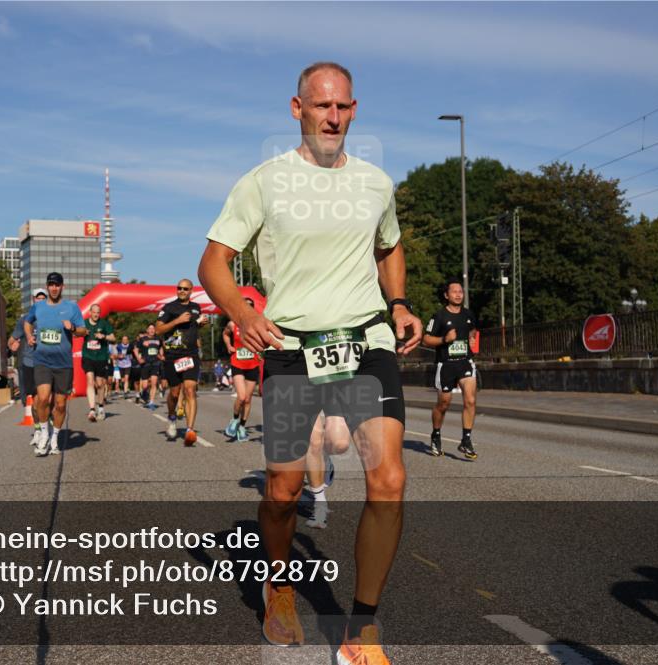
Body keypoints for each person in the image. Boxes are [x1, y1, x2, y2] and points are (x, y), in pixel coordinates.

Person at [198, 62, 422, 662]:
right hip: (293, 349)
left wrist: (399, 303)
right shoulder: (264, 182)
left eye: (343, 107)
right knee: (283, 487)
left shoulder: (376, 183)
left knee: (389, 479)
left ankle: (362, 629)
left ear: (355, 110)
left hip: (366, 343)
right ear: (297, 109)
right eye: (322, 106)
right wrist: (242, 313)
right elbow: (213, 262)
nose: (333, 117)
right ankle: (278, 585)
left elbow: (390, 245)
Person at [23, 272, 86, 457]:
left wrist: (72, 328)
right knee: (42, 399)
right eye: (51, 284)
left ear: (62, 287)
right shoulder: (38, 306)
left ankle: (54, 438)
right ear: (47, 286)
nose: (54, 288)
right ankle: (44, 434)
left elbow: (83, 330)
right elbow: (27, 322)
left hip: (63, 364)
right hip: (42, 361)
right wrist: (29, 336)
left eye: (57, 285)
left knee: (60, 404)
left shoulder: (71, 307)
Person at [423, 278, 480, 460]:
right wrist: (444, 340)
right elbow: (426, 339)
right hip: (446, 364)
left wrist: (471, 338)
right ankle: (436, 434)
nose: (458, 294)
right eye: (454, 291)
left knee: (470, 400)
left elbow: (472, 330)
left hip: (465, 362)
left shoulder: (468, 314)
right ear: (446, 295)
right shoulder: (439, 316)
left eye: (460, 291)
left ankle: (466, 440)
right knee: (444, 403)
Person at [155, 279, 207, 446]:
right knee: (175, 393)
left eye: (185, 288)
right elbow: (158, 329)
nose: (182, 291)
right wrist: (176, 321)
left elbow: (193, 328)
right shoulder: (169, 308)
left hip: (191, 355)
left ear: (191, 291)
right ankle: (171, 417)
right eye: (179, 288)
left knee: (190, 390)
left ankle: (190, 429)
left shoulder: (196, 307)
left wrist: (201, 324)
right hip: (173, 356)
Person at [10, 289, 47, 446]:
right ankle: (38, 429)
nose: (40, 300)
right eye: (38, 298)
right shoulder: (25, 319)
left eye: (43, 298)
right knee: (36, 400)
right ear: (33, 300)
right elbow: (12, 339)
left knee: (47, 398)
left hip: (48, 362)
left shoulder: (52, 317)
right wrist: (12, 344)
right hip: (30, 362)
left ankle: (47, 429)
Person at [223, 299, 261, 441]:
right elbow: (225, 334)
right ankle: (234, 420)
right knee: (242, 396)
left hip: (253, 364)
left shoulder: (258, 325)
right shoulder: (233, 324)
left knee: (248, 399)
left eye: (250, 306)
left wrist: (262, 351)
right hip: (238, 363)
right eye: (245, 305)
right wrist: (229, 346)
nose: (247, 308)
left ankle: (242, 427)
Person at [81, 304, 115, 422]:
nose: (96, 314)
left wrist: (104, 336)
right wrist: (82, 333)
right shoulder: (84, 323)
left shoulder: (104, 323)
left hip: (101, 357)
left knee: (100, 384)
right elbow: (75, 334)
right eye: (94, 312)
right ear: (90, 312)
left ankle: (100, 407)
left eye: (98, 312)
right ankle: (92, 409)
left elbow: (113, 338)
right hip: (88, 356)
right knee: (90, 380)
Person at [133, 324, 162, 410]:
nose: (152, 330)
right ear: (147, 330)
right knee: (145, 386)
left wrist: (161, 356)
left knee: (154, 383)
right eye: (150, 328)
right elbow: (135, 349)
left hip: (156, 363)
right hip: (145, 363)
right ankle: (144, 393)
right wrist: (139, 359)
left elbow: (161, 348)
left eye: (153, 328)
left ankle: (151, 402)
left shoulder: (158, 339)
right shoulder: (142, 339)